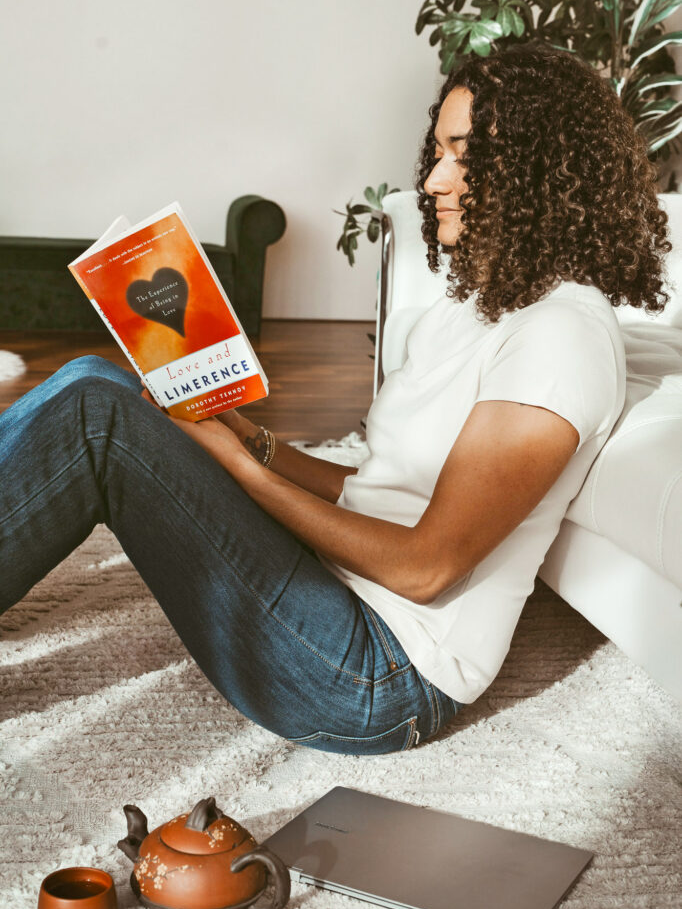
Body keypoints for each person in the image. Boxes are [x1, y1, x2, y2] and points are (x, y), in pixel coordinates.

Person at [0, 41, 671, 755]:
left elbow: (425, 565)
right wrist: (253, 438)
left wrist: (240, 469)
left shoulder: (560, 336)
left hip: (378, 676)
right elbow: (386, 492)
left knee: (95, 419)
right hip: (336, 594)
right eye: (436, 151)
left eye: (462, 155)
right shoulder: (479, 304)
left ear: (538, 172)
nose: (435, 179)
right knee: (95, 379)